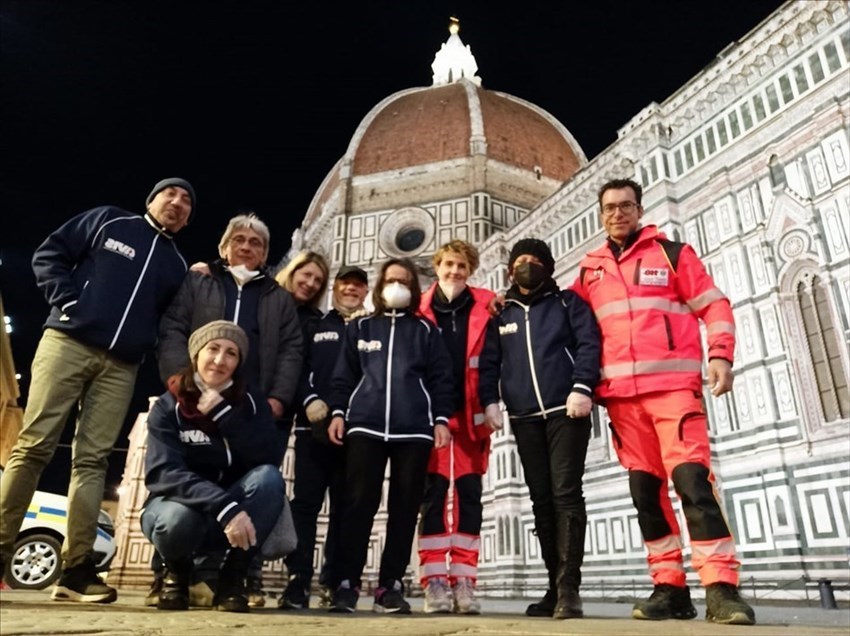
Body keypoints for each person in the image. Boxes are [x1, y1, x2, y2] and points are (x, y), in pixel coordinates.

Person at [570, 178, 755, 626]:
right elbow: (566, 325)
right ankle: (669, 588)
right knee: (646, 496)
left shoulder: (672, 254)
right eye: (610, 207)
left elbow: (715, 306)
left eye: (626, 206)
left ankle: (721, 589)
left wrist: (721, 356)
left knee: (693, 483)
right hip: (621, 402)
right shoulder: (589, 271)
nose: (618, 214)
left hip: (673, 391)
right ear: (601, 214)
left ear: (639, 209)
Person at [0, 177, 194, 602]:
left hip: (121, 365)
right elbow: (50, 254)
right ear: (152, 199)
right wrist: (69, 303)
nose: (178, 203)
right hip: (68, 343)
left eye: (186, 202)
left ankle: (76, 571)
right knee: (33, 446)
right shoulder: (109, 221)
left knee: (92, 462)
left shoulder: (176, 265)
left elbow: (168, 324)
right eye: (171, 194)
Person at [154, 212, 303, 607]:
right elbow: (172, 328)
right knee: (184, 474)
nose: (247, 247)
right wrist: (176, 380)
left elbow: (291, 350)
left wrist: (278, 399)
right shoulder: (200, 280)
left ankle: (237, 577)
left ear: (266, 253)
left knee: (260, 478)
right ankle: (170, 572)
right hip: (193, 393)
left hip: (250, 407)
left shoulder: (277, 295)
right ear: (224, 246)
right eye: (239, 239)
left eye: (256, 243)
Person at [479, 238, 601, 620]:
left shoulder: (567, 303)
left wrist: (582, 386)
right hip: (525, 417)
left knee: (566, 494)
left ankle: (569, 589)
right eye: (519, 261)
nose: (526, 265)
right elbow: (488, 363)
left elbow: (588, 344)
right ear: (509, 269)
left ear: (548, 266)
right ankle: (553, 585)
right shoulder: (502, 315)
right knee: (541, 500)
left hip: (568, 410)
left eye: (534, 260)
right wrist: (490, 401)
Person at [326, 258, 454, 614]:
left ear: (413, 290)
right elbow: (343, 376)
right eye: (391, 280)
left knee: (405, 507)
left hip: (414, 429)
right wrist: (339, 413)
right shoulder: (361, 328)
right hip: (364, 426)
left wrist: (440, 419)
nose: (396, 286)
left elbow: (442, 379)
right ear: (380, 287)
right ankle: (347, 584)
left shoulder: (426, 331)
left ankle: (390, 586)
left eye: (404, 281)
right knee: (357, 505)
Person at [142, 321, 287, 613]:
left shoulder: (252, 403)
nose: (220, 360)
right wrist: (224, 505)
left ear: (239, 362)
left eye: (231, 353)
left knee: (270, 479)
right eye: (213, 349)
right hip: (180, 508)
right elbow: (162, 472)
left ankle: (233, 578)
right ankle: (176, 574)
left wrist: (224, 416)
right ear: (196, 353)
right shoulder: (168, 406)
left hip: (231, 518)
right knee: (176, 519)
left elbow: (267, 457)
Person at [278, 265, 369, 610]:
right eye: (345, 283)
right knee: (305, 505)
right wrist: (309, 399)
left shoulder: (372, 329)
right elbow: (296, 367)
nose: (351, 290)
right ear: (335, 288)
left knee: (347, 508)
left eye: (358, 286)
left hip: (355, 432)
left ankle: (336, 580)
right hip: (311, 429)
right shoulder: (315, 325)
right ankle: (297, 579)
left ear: (365, 292)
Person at [416, 240, 495, 615]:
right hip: (431, 419)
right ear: (437, 266)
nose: (454, 271)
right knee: (433, 497)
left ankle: (464, 579)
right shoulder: (419, 309)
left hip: (471, 420)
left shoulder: (486, 305)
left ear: (471, 269)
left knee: (468, 498)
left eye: (462, 266)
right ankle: (434, 580)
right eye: (448, 264)